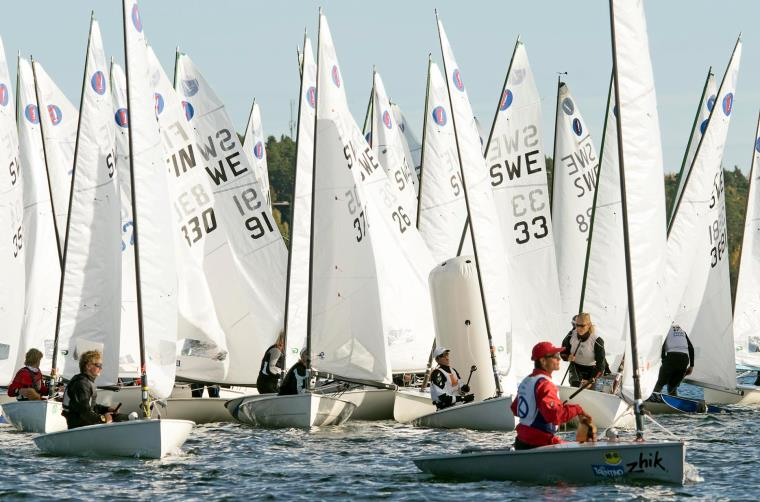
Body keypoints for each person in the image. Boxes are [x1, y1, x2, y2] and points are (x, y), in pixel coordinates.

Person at [511, 342, 592, 449]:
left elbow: (515, 409)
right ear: (543, 361)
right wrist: (577, 410)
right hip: (539, 443)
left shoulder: (526, 381)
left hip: (521, 441)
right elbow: (554, 416)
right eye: (555, 356)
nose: (559, 359)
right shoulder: (545, 384)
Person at [62, 350, 128, 429]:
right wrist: (103, 419)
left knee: (125, 418)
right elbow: (85, 413)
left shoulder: (85, 382)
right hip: (79, 427)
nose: (101, 368)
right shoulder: (81, 384)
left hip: (84, 424)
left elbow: (91, 406)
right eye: (98, 365)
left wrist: (107, 409)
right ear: (88, 366)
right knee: (125, 419)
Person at [560, 312, 609, 387]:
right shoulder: (571, 335)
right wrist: (567, 357)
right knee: (575, 384)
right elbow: (563, 352)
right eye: (577, 325)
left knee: (590, 387)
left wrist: (591, 380)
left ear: (589, 325)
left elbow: (601, 365)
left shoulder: (597, 340)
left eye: (582, 326)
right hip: (576, 367)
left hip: (592, 369)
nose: (579, 328)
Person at [653, 323, 695, 396]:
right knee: (672, 386)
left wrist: (664, 360)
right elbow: (691, 348)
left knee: (660, 383)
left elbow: (661, 345)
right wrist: (691, 366)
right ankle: (672, 401)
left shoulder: (665, 328)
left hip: (672, 357)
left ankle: (652, 399)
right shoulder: (682, 331)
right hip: (685, 359)